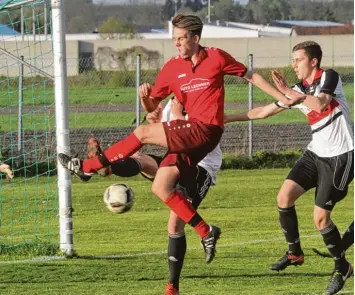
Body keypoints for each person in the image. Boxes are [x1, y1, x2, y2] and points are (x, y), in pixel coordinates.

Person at [58, 14, 302, 264]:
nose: (176, 43)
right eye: (174, 38)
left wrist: (283, 95)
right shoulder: (172, 68)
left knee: (142, 134)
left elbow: (251, 76)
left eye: (181, 38)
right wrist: (145, 96)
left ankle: (86, 168)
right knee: (160, 187)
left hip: (206, 130)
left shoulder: (217, 57)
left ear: (196, 38)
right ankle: (206, 231)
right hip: (188, 135)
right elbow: (153, 106)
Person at [224, 41, 354, 295]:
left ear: (313, 62)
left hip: (341, 156)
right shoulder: (297, 89)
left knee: (320, 219)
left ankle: (342, 267)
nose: (293, 64)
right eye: (293, 60)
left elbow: (320, 104)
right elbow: (264, 112)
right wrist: (228, 118)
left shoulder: (329, 76)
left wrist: (295, 96)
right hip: (316, 152)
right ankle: (295, 253)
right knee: (284, 197)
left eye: (298, 59)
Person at [89, 98, 222, 295]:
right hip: (176, 162)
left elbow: (197, 137)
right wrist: (156, 121)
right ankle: (109, 167)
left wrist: (176, 117)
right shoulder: (170, 103)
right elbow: (167, 137)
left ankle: (172, 286)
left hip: (201, 168)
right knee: (140, 159)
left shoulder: (201, 102)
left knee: (175, 225)